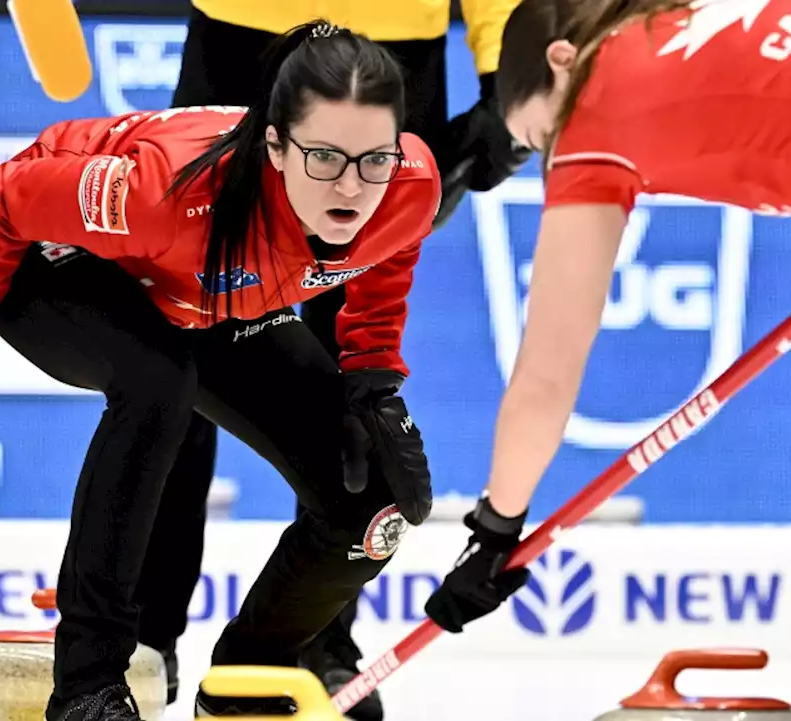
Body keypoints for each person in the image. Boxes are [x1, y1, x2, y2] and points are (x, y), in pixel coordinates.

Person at [420, 0, 791, 720]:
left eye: (537, 139)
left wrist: (496, 528)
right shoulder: (684, 22)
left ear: (559, 61)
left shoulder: (590, 107)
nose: (554, 162)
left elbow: (545, 374)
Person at [0, 20, 440, 721]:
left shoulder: (407, 184)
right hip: (65, 265)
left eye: (373, 160)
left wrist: (371, 376)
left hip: (207, 294)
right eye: (325, 157)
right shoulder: (160, 195)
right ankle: (88, 685)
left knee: (372, 497)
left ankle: (249, 681)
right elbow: (7, 200)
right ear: (274, 146)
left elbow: (386, 252)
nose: (353, 186)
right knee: (159, 382)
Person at [137, 1, 530, 719]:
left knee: (350, 359)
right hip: (241, 26)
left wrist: (507, 64)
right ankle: (142, 631)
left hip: (397, 43)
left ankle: (312, 640)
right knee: (181, 319)